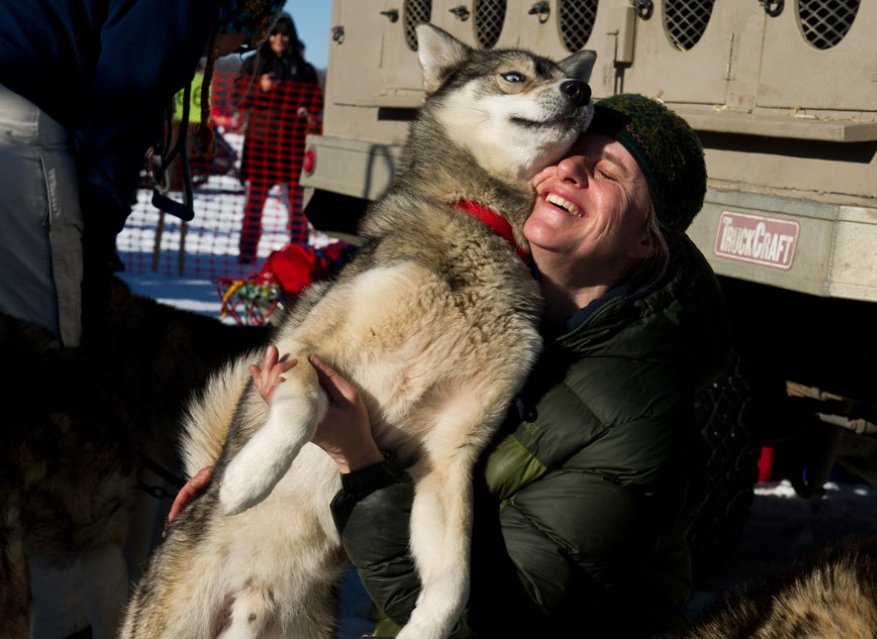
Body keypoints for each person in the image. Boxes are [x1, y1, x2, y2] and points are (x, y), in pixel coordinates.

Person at [170, 94, 730, 637]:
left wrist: (357, 460)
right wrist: (261, 482)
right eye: (567, 154)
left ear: (645, 244)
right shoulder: (498, 309)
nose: (572, 171)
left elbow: (490, 622)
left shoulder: (635, 417)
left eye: (609, 172)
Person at [0, 0, 285, 351]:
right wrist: (95, 248)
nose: (228, 54)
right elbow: (118, 120)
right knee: (39, 353)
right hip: (17, 127)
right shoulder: (181, 8)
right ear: (239, 13)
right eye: (243, 45)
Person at [235, 12, 323, 264]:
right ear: (267, 35)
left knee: (297, 208)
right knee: (254, 207)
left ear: (291, 37)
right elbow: (236, 98)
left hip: (292, 148)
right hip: (261, 147)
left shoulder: (303, 69)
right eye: (274, 33)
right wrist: (258, 87)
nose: (279, 39)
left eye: (284, 34)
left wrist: (309, 111)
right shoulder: (254, 63)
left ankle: (300, 254)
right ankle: (246, 253)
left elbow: (316, 103)